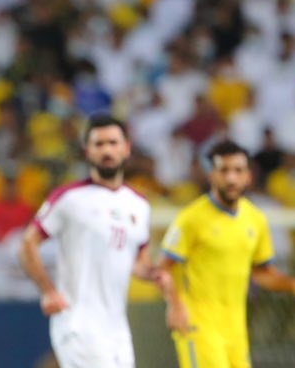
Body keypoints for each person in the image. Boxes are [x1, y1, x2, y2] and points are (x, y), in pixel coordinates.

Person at [18, 114, 177, 368]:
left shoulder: (139, 205)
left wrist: (155, 273)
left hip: (117, 330)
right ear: (87, 151)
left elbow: (137, 262)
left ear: (126, 148)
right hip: (78, 323)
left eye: (113, 143)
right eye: (99, 144)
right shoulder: (69, 198)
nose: (106, 150)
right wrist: (48, 291)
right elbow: (28, 244)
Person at [160, 139, 295, 368]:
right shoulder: (191, 219)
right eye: (224, 170)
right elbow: (164, 267)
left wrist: (293, 284)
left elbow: (261, 273)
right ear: (212, 175)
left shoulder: (255, 219)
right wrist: (175, 305)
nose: (231, 178)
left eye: (238, 170)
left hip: (236, 331)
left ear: (248, 176)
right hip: (198, 327)